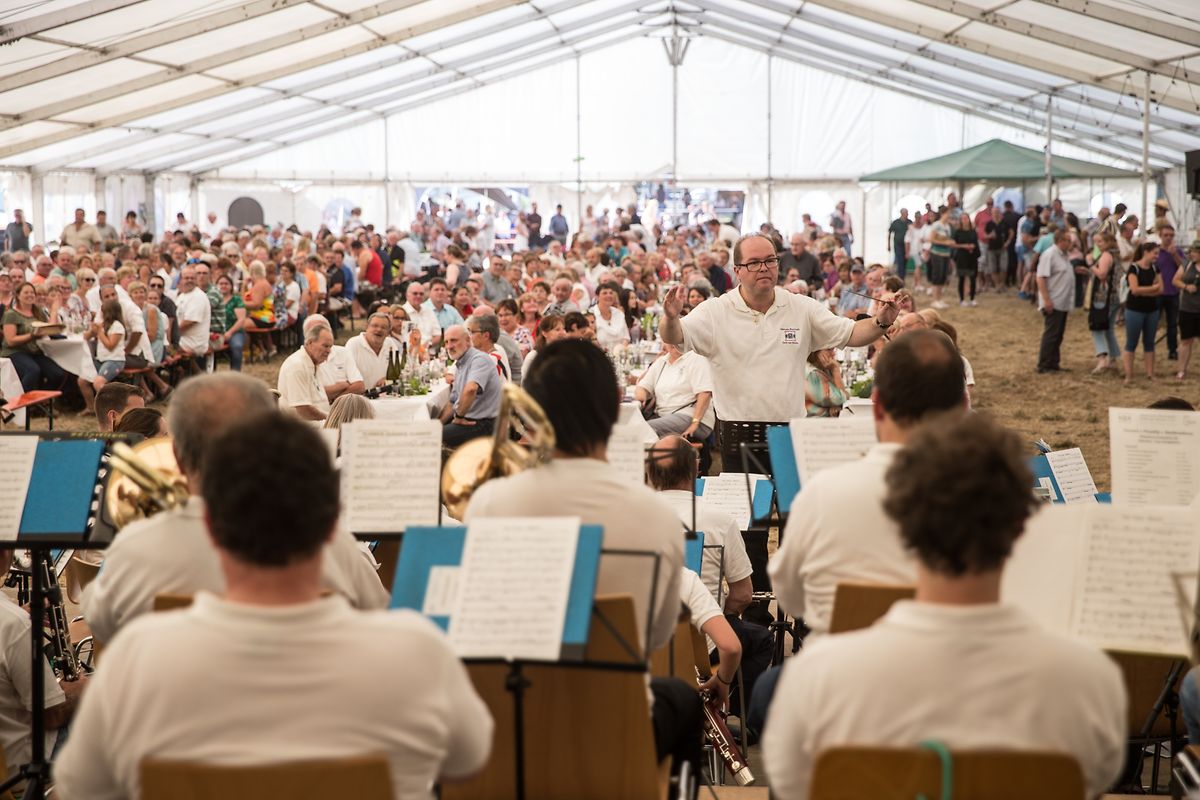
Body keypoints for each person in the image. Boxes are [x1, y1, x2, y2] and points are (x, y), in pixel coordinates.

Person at [60, 411, 490, 800]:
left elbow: (81, 787)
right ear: (331, 521)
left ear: (211, 525)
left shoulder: (137, 656)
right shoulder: (416, 650)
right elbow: (468, 759)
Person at [761, 413, 1127, 800]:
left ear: (901, 525)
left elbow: (793, 789)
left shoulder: (816, 679)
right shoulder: (1090, 681)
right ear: (1023, 527)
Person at [464, 339, 698, 780]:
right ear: (614, 409)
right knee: (681, 700)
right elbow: (659, 633)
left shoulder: (489, 504)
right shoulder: (657, 518)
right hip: (617, 732)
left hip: (516, 729)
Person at [80, 374, 390, 646]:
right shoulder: (328, 543)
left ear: (177, 453)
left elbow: (101, 620)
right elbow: (377, 616)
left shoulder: (138, 545)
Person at [659, 233, 898, 425]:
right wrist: (670, 318)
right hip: (736, 428)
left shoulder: (801, 307)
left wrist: (881, 321)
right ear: (737, 271)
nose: (764, 267)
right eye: (754, 263)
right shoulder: (715, 310)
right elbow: (676, 335)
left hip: (790, 427)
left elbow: (852, 333)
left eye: (770, 260)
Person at [0, 547, 84, 791]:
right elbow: (52, 715)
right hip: (21, 768)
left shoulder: (11, 620)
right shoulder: (12, 625)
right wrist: (78, 688)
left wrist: (21, 615)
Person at [634, 342, 714, 439]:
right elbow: (642, 386)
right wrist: (642, 394)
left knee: (641, 429)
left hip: (691, 417)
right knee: (632, 426)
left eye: (676, 339)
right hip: (663, 417)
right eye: (668, 339)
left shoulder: (696, 358)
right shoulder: (661, 362)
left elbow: (704, 393)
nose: (673, 343)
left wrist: (695, 423)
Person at [439, 324, 502, 447]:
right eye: (446, 342)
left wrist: (459, 417)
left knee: (429, 440)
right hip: (469, 421)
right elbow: (452, 402)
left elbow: (471, 389)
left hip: (483, 425)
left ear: (468, 340)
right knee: (428, 434)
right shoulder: (461, 363)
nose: (449, 346)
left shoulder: (479, 359)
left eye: (453, 340)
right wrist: (436, 425)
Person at [1, 281, 66, 393]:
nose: (30, 295)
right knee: (32, 370)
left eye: (32, 292)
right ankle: (19, 404)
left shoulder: (37, 312)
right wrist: (32, 335)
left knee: (58, 373)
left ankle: (40, 401)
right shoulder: (11, 314)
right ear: (18, 295)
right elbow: (10, 340)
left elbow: (50, 328)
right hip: (15, 352)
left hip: (35, 352)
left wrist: (54, 310)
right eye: (26, 292)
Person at [1124, 241, 1164, 385]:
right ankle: (1128, 375)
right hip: (1134, 310)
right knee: (1131, 342)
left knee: (1149, 343)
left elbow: (1161, 289)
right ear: (1146, 252)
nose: (1157, 256)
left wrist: (1145, 291)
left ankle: (1150, 373)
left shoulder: (1155, 268)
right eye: (1155, 253)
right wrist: (1151, 289)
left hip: (1151, 310)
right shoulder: (1134, 268)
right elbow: (1134, 290)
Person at [1035, 229, 1074, 374]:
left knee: (1058, 334)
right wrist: (1046, 300)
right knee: (1051, 334)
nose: (1070, 243)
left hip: (1062, 301)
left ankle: (1054, 362)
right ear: (1060, 241)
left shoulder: (1064, 255)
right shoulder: (1050, 254)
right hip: (1053, 300)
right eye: (1068, 240)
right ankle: (1044, 364)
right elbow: (1041, 278)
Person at [78, 298, 126, 415]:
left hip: (115, 360)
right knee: (82, 380)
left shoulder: (117, 326)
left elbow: (110, 345)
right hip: (101, 359)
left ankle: (115, 409)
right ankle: (91, 407)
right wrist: (92, 330)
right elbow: (85, 337)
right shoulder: (103, 325)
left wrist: (99, 332)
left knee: (98, 383)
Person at [277, 323, 334, 420]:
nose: (329, 351)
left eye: (330, 347)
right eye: (325, 346)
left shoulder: (314, 362)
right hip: (303, 428)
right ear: (310, 343)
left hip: (319, 424)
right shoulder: (297, 366)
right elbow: (303, 410)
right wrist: (331, 420)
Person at [1086, 231, 1122, 375]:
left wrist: (1090, 264)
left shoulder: (1106, 256)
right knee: (1109, 329)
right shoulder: (1116, 255)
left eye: (1100, 241)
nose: (1097, 245)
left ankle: (1102, 358)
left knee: (1097, 327)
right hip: (1114, 297)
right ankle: (1113, 359)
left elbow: (1102, 274)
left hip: (1103, 298)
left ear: (1108, 242)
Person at [346, 311, 400, 389]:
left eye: (384, 327)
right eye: (375, 326)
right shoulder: (354, 344)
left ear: (388, 332)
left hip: (387, 397)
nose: (379, 330)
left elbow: (401, 370)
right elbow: (347, 375)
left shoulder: (390, 343)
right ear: (366, 327)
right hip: (362, 397)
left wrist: (388, 379)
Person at [174, 266, 212, 369]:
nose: (189, 280)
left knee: (163, 348)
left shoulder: (198, 296)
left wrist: (172, 336)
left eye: (192, 278)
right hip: (184, 339)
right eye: (186, 278)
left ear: (196, 280)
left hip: (193, 342)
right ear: (180, 280)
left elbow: (189, 322)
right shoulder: (183, 295)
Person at [1157, 225, 1185, 361]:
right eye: (1165, 235)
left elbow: (1183, 268)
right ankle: (1149, 348)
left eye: (1171, 235)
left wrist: (1174, 255)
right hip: (1157, 292)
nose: (1168, 238)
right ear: (1160, 236)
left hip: (1173, 293)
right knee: (1153, 322)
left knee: (1172, 323)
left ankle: (1172, 350)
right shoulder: (1155, 252)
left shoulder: (1177, 251)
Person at [1174, 240, 1200, 381]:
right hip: (1188, 308)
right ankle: (1181, 370)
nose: (1192, 254)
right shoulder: (1187, 265)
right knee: (1186, 340)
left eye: (1195, 252)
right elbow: (1175, 280)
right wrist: (1186, 286)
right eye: (1192, 252)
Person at [465, 312, 511, 382]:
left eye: (472, 332)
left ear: (486, 336)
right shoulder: (495, 352)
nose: (469, 336)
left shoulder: (490, 360)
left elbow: (472, 387)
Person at [926, 207, 955, 309]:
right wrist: (945, 242)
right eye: (948, 214)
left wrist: (950, 242)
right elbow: (931, 239)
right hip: (936, 253)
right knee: (937, 276)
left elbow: (947, 238)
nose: (949, 216)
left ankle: (939, 299)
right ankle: (935, 300)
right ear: (943, 214)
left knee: (943, 276)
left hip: (946, 254)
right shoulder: (936, 225)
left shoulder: (947, 226)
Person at [804, 348, 847, 417]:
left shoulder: (819, 370)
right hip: (813, 424)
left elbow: (843, 396)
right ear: (815, 351)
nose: (833, 353)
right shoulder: (812, 373)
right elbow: (841, 399)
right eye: (829, 349)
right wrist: (836, 370)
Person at [592, 281, 631, 350]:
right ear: (597, 297)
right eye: (605, 293)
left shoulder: (619, 313)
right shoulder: (591, 315)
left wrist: (619, 351)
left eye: (611, 293)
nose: (609, 295)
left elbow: (626, 337)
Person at [953, 212, 979, 307]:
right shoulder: (958, 232)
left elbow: (976, 243)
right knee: (962, 278)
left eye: (966, 218)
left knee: (973, 279)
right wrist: (965, 246)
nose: (964, 220)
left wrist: (973, 248)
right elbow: (954, 244)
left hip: (972, 257)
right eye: (962, 219)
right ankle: (962, 299)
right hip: (961, 257)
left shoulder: (973, 231)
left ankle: (972, 298)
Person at [886, 208, 910, 281]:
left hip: (907, 246)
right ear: (902, 213)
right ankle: (900, 278)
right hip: (898, 245)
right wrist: (888, 245)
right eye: (906, 213)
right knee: (900, 262)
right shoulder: (895, 222)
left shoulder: (909, 222)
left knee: (905, 262)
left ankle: (902, 277)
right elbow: (889, 233)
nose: (907, 214)